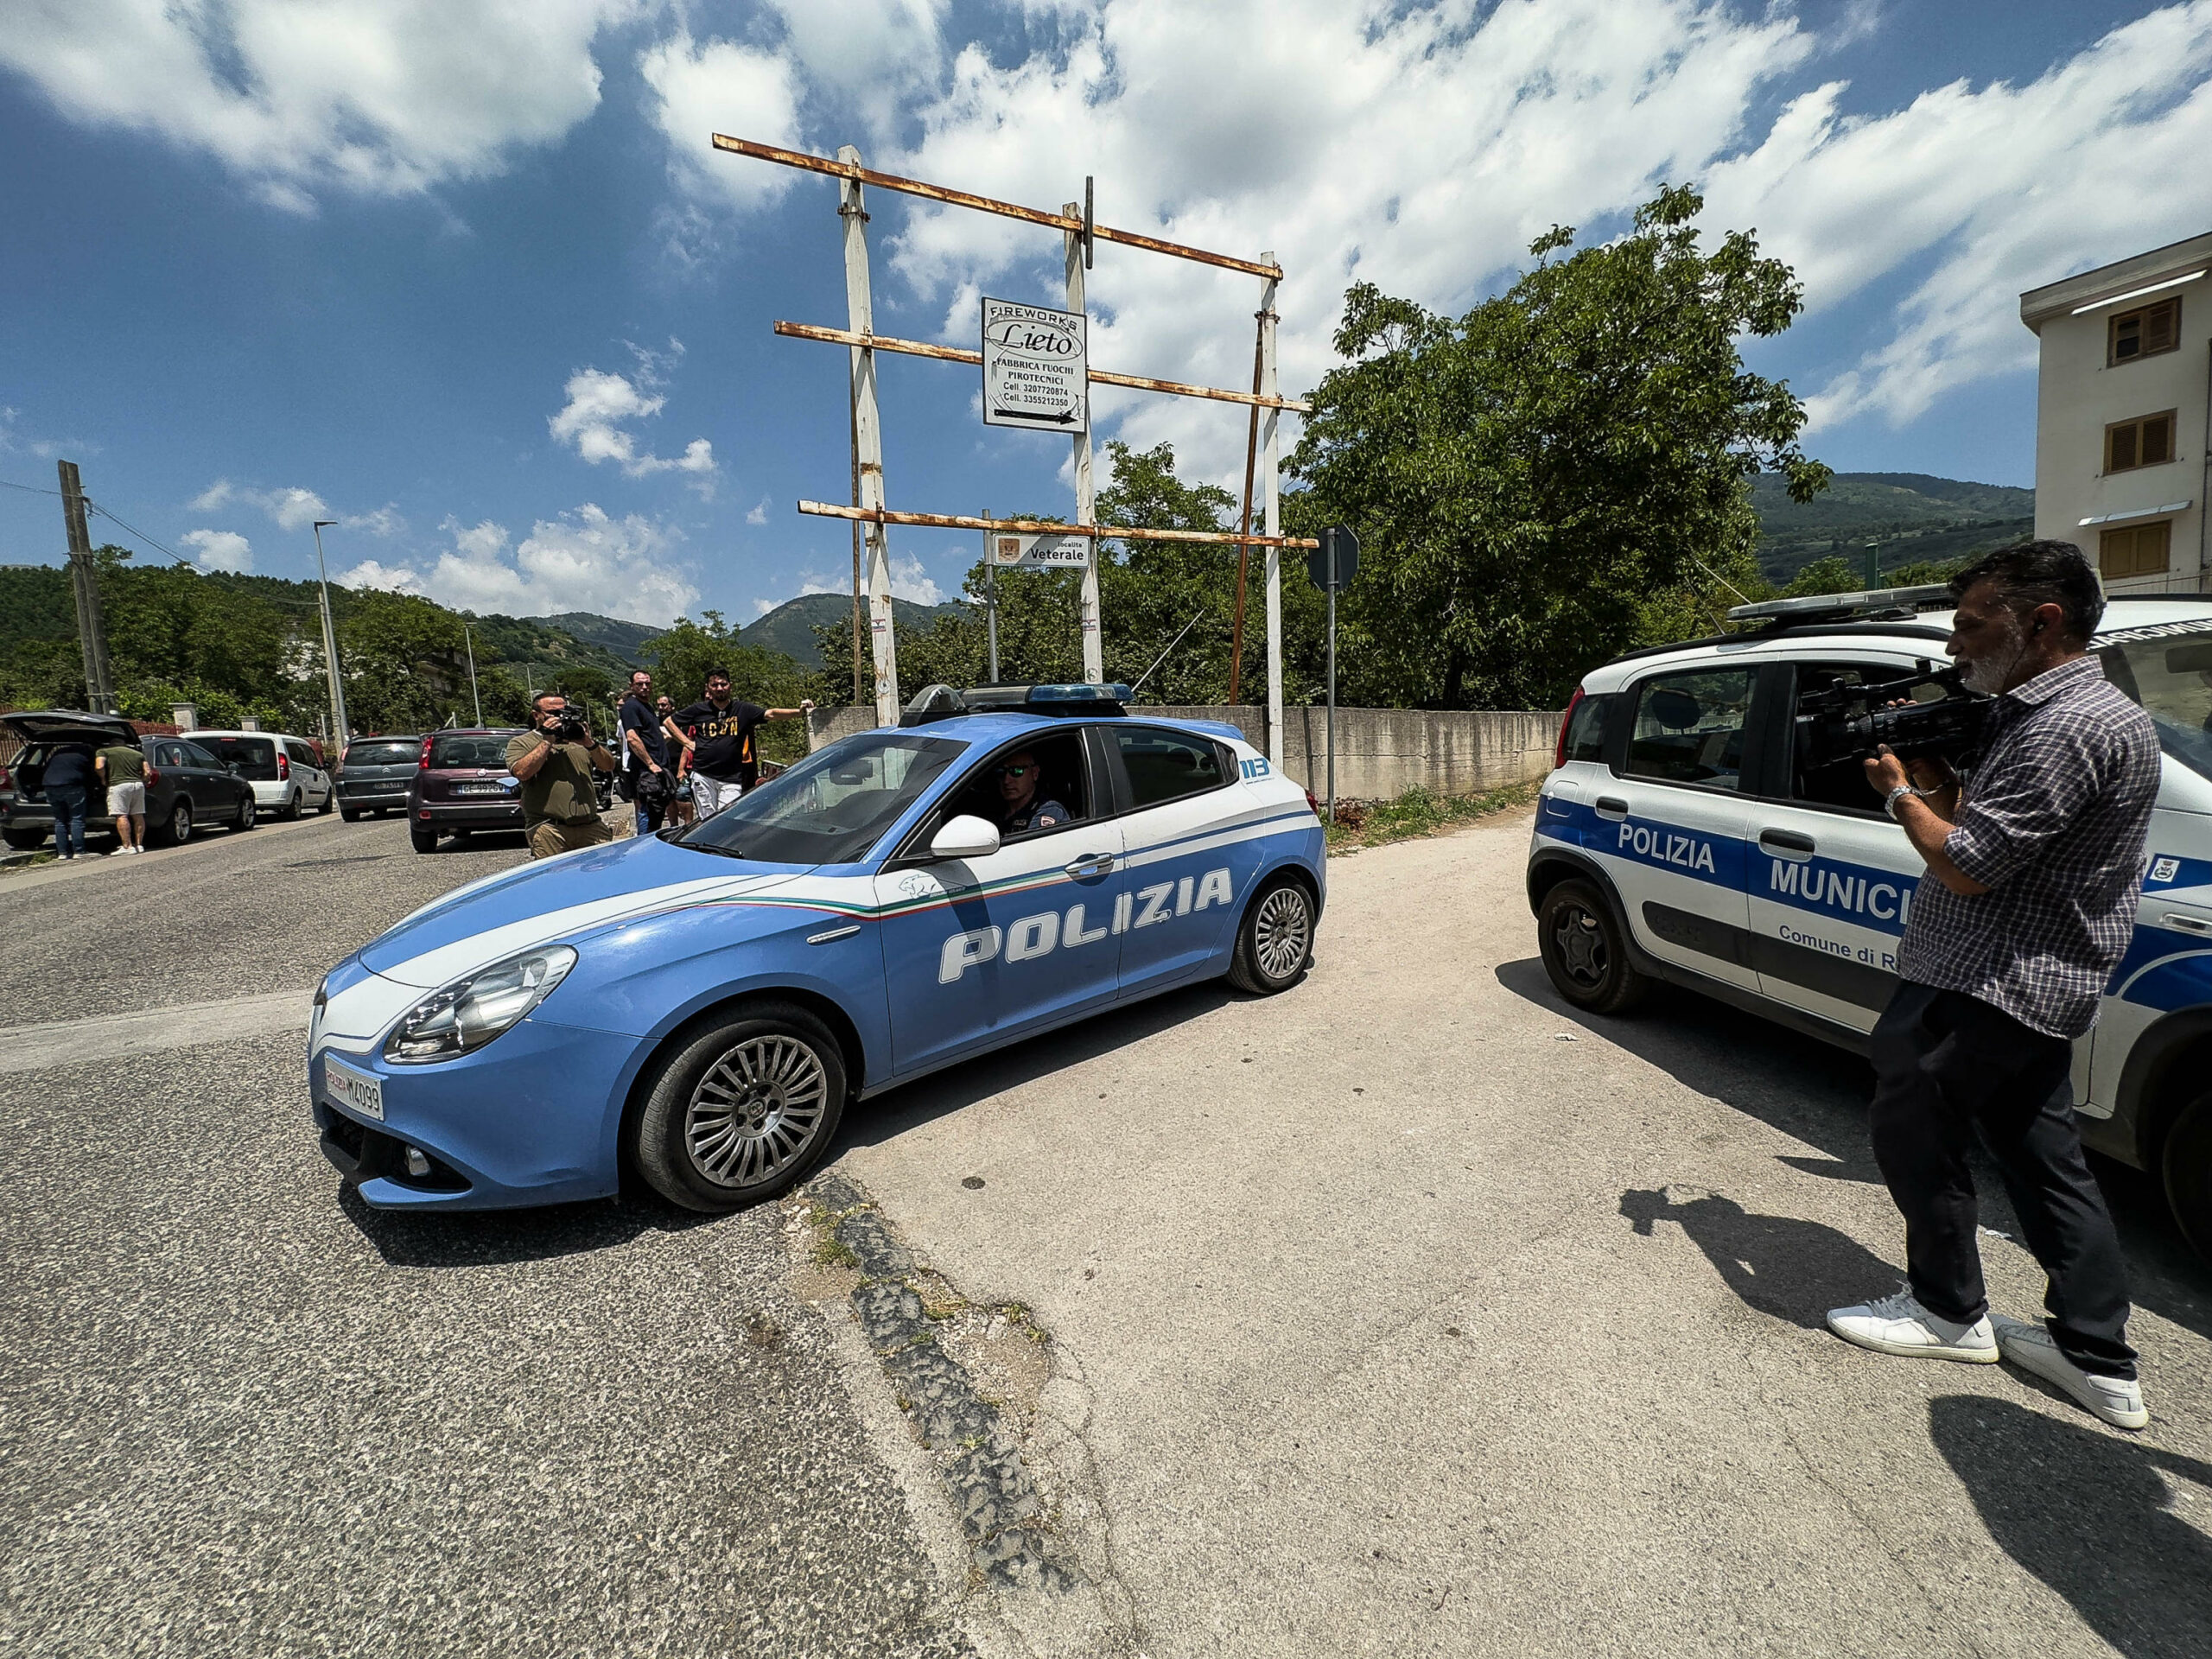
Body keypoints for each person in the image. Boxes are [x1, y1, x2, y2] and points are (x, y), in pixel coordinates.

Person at [1826, 540, 2159, 1432]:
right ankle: (2097, 1357)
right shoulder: (2068, 713)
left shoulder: (2063, 725)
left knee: (1914, 1130)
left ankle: (1946, 1311)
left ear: (2039, 621)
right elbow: (2000, 830)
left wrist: (1899, 793)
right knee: (2044, 1160)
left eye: (1971, 625)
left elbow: (1970, 868)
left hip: (1985, 982)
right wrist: (1940, 784)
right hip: (2032, 982)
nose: (1954, 647)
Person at [668, 668, 812, 820]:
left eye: (723, 684)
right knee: (707, 820)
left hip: (731, 777)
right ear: (708, 688)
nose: (719, 688)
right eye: (715, 685)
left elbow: (770, 714)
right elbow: (669, 722)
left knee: (729, 818)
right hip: (704, 775)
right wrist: (687, 743)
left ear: (730, 685)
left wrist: (799, 712)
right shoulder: (699, 710)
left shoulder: (742, 709)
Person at [505, 693, 618, 859]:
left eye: (564, 711)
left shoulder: (577, 740)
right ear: (536, 715)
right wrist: (547, 741)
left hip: (590, 824)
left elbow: (608, 766)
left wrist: (588, 742)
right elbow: (522, 773)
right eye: (554, 712)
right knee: (555, 880)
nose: (561, 717)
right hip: (550, 828)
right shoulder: (522, 742)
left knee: (606, 873)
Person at [615, 670, 674, 836]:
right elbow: (632, 738)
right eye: (639, 684)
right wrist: (650, 763)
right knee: (647, 811)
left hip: (658, 768)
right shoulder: (631, 707)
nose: (644, 687)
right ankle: (644, 846)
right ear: (631, 686)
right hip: (646, 772)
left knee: (657, 813)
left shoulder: (647, 706)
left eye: (647, 683)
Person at [989, 749, 1069, 834]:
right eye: (1001, 772)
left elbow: (1031, 845)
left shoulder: (1049, 810)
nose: (1006, 780)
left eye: (1016, 771)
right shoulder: (993, 810)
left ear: (1034, 773)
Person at [41, 738, 95, 861]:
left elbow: (46, 768)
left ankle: (62, 853)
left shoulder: (58, 752)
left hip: (50, 786)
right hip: (72, 786)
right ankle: (79, 851)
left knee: (60, 820)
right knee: (76, 819)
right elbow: (91, 773)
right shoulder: (85, 754)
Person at [96, 736, 147, 855]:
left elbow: (99, 766)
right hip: (138, 785)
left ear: (111, 745)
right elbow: (147, 771)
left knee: (122, 815)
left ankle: (127, 846)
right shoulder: (137, 754)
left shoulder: (103, 751)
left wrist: (103, 779)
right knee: (138, 815)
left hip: (119, 785)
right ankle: (139, 845)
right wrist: (143, 780)